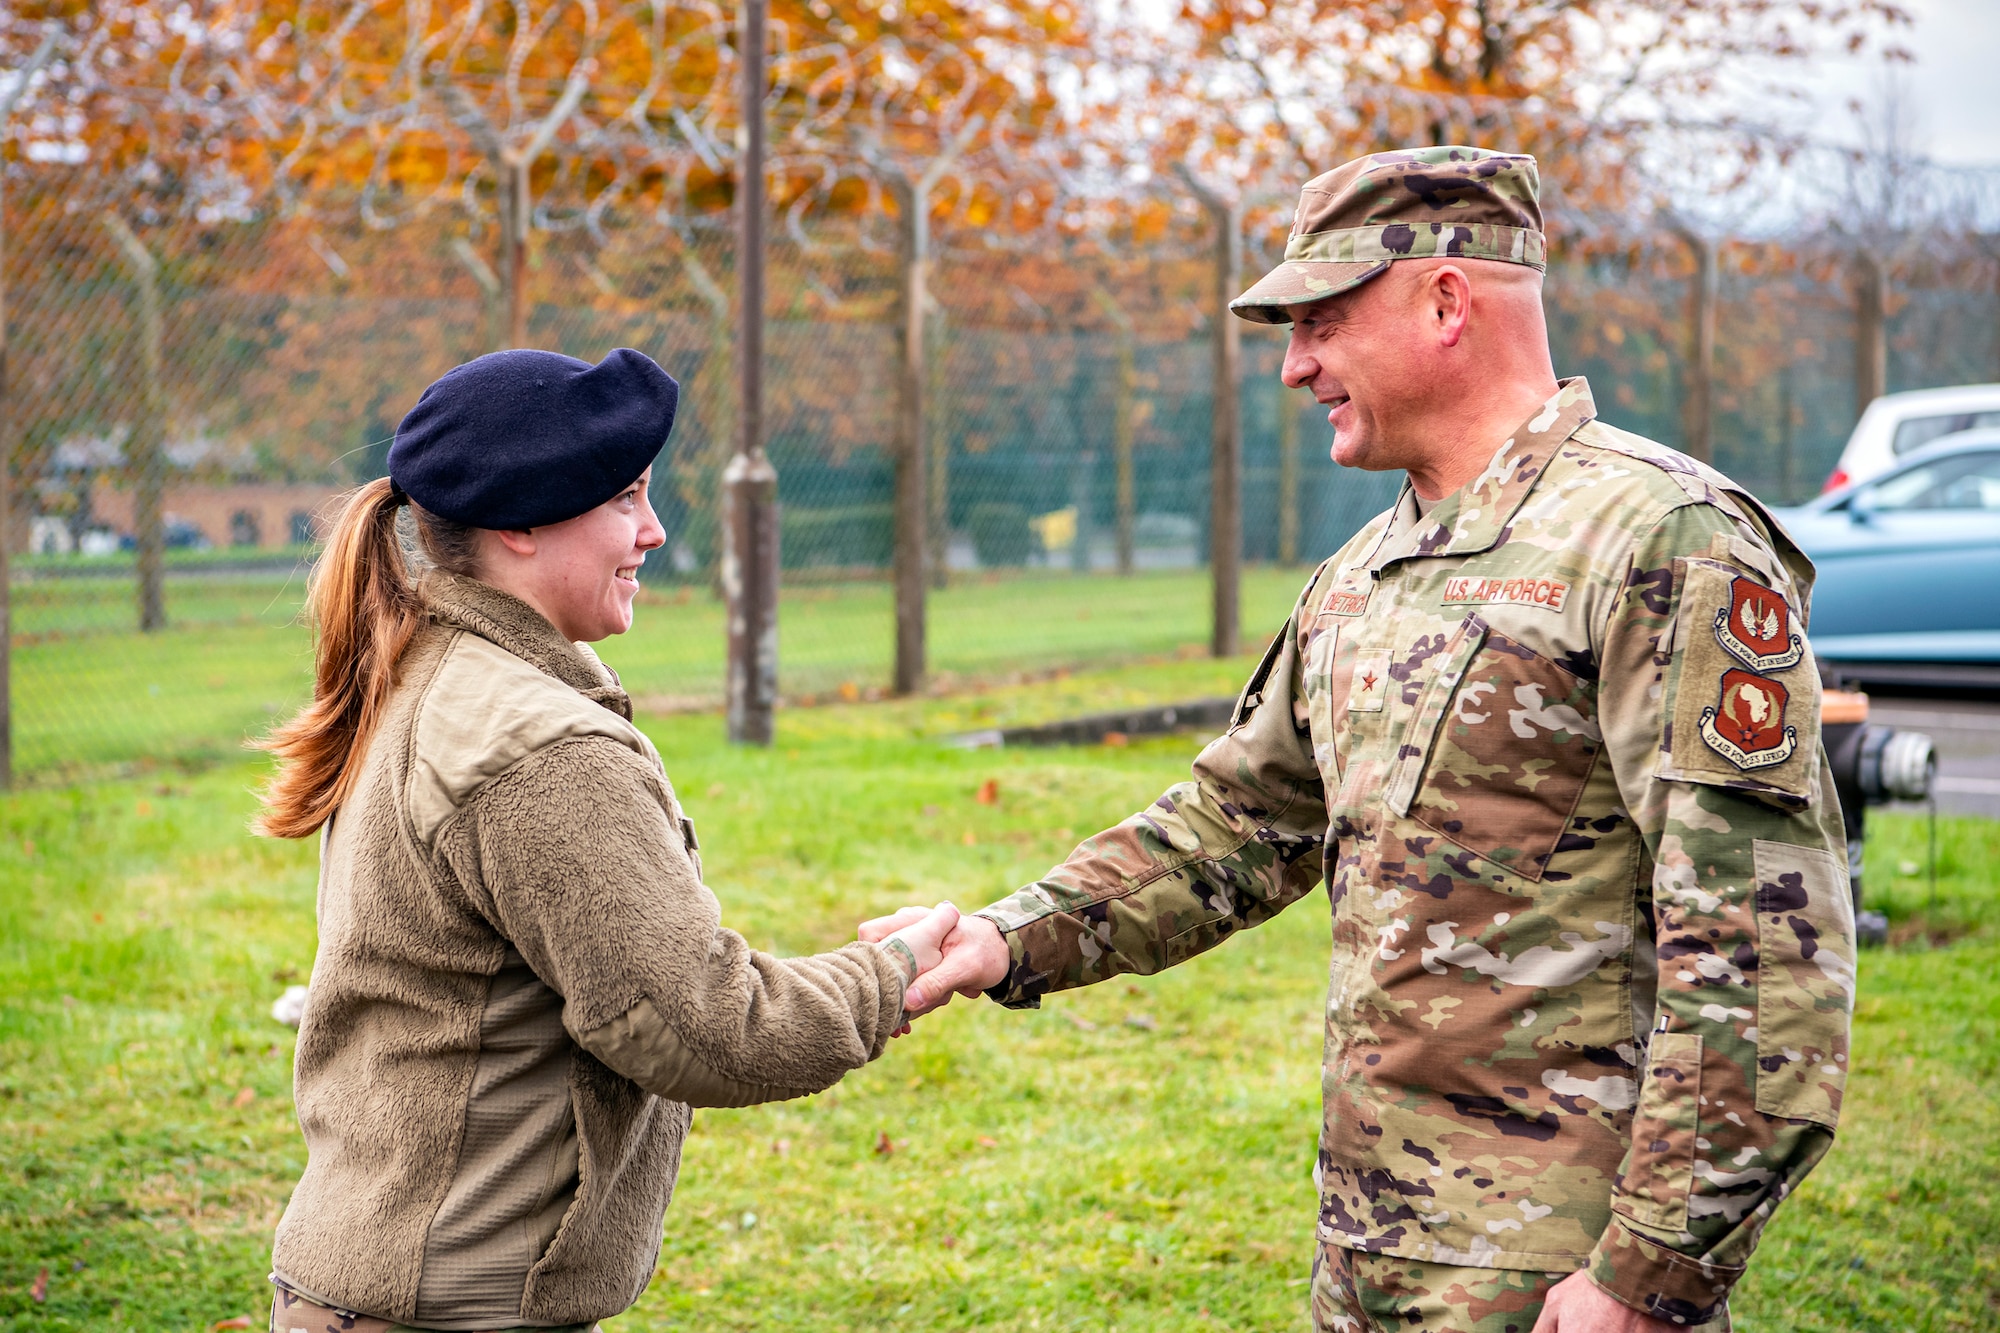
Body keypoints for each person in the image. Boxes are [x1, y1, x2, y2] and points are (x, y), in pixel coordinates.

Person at [874, 148, 1854, 1333]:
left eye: (1321, 323)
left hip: (1556, 1278)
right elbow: (1240, 824)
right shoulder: (1362, 574)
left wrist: (1647, 1279)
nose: (1294, 366)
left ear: (1445, 301)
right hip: (1369, 1255)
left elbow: (1758, 950)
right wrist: (1004, 936)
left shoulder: (1661, 539)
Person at [256, 347, 958, 1333]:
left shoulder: (432, 671)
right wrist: (892, 973)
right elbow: (704, 1026)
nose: (655, 530)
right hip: (450, 1307)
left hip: (376, 1283)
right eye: (624, 499)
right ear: (520, 526)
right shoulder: (535, 744)